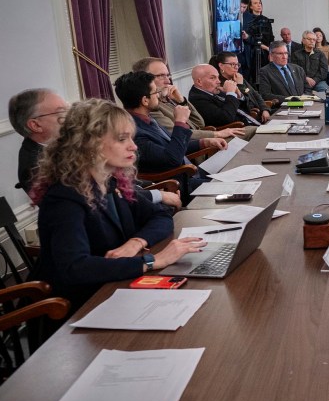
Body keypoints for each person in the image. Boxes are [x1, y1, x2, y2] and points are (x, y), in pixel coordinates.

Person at [31, 99, 207, 309]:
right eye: (122, 139)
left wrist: (137, 242)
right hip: (79, 306)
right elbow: (74, 268)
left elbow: (159, 215)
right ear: (89, 144)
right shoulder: (64, 197)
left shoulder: (110, 181)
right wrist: (152, 261)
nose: (133, 146)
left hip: (116, 287)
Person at [114, 71, 226, 180]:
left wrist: (205, 142)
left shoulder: (147, 119)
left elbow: (172, 146)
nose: (158, 96)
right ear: (145, 100)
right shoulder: (134, 132)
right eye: (155, 92)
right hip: (178, 185)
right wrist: (180, 122)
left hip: (190, 174)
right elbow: (171, 159)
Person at [132, 57, 242, 140]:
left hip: (207, 141)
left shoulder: (168, 98)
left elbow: (199, 123)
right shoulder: (151, 107)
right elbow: (179, 134)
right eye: (161, 76)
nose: (168, 81)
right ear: (144, 79)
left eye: (168, 75)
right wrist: (216, 134)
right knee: (252, 133)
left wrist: (182, 101)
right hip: (201, 149)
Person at [9, 88, 69, 194]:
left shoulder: (62, 141)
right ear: (36, 125)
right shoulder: (35, 168)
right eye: (61, 113)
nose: (70, 116)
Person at [187, 64, 259, 135]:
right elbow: (226, 118)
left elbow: (247, 109)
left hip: (248, 123)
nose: (218, 81)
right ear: (199, 82)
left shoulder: (213, 90)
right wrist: (230, 94)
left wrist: (238, 95)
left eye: (218, 77)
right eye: (212, 78)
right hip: (232, 132)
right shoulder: (197, 98)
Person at [211, 52, 269, 122]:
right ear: (221, 65)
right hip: (248, 118)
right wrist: (240, 86)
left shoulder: (239, 78)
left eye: (237, 64)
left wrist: (265, 109)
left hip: (260, 113)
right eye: (232, 64)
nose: (236, 67)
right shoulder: (220, 83)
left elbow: (255, 94)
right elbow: (244, 105)